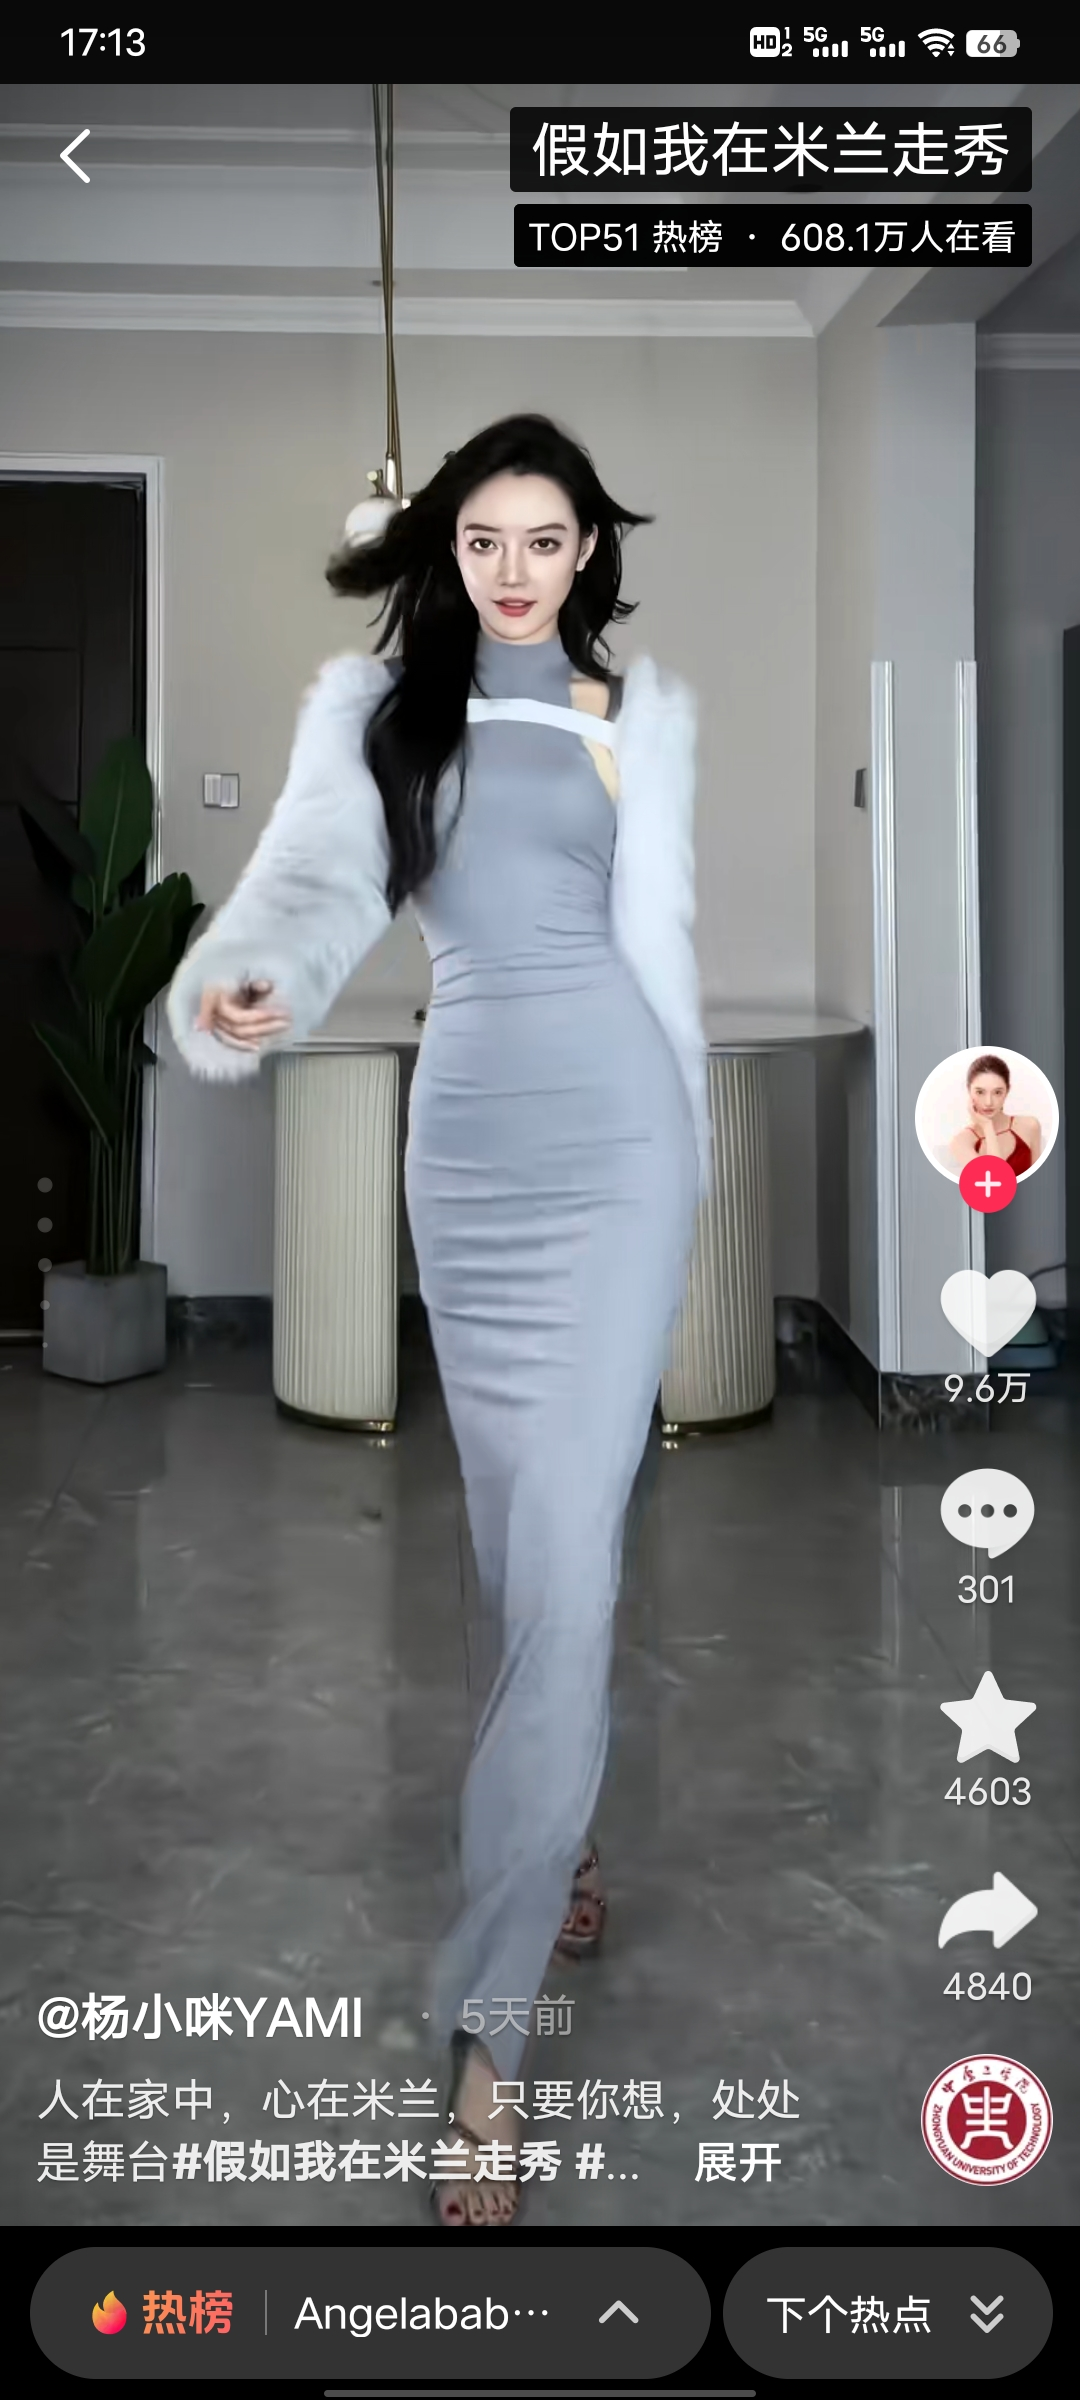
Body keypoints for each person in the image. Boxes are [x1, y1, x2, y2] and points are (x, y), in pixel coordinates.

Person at [166, 412, 711, 2227]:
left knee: (566, 1555)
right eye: (483, 539)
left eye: (545, 538)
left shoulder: (636, 722)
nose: (512, 569)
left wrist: (683, 1152)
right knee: (512, 1552)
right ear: (447, 550)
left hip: (617, 1150)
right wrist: (245, 986)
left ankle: (490, 2051)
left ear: (588, 550)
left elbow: (660, 947)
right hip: (469, 1154)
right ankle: (564, 1830)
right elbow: (314, 890)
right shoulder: (384, 715)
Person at [949, 1054, 1041, 1179]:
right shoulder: (961, 1142)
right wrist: (987, 1126)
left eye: (997, 1092)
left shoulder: (1029, 1125)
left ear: (1007, 1091)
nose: (988, 1102)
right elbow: (996, 1181)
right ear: (969, 1090)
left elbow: (1039, 1179)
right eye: (980, 1092)